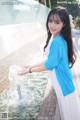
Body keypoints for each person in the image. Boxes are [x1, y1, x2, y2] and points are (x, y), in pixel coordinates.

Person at [18, 6, 80, 120]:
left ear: (64, 24)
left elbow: (50, 65)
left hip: (63, 86)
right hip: (65, 85)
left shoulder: (57, 41)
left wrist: (29, 71)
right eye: (50, 21)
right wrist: (32, 65)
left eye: (57, 22)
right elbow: (51, 60)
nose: (52, 25)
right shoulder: (59, 38)